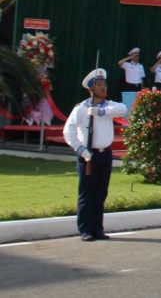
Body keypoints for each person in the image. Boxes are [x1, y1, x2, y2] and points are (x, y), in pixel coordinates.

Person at [63, 69, 128, 241]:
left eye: (104, 85)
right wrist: (80, 149)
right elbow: (68, 131)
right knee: (87, 193)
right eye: (99, 85)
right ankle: (85, 229)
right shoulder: (81, 109)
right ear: (91, 89)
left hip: (105, 154)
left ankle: (98, 228)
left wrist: (100, 112)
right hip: (88, 156)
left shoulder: (108, 107)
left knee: (101, 193)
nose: (103, 88)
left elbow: (123, 109)